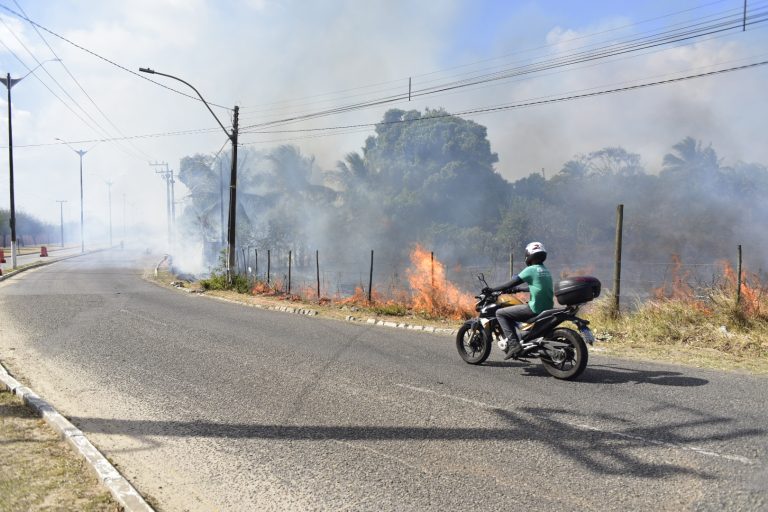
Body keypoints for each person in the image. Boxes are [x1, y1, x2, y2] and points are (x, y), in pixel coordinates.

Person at [483, 242, 554, 358]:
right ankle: (521, 338)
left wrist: (492, 289)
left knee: (500, 313)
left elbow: (510, 283)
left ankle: (514, 345)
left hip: (534, 308)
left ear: (529, 255)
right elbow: (536, 287)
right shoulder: (545, 270)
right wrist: (518, 289)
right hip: (547, 307)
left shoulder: (531, 270)